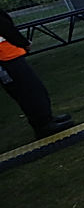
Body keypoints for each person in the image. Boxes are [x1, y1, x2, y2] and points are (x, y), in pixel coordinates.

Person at [0, 9, 73, 139]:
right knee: (27, 91)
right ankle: (43, 124)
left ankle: (46, 118)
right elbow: (4, 26)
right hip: (4, 58)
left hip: (8, 54)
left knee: (33, 89)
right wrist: (23, 42)